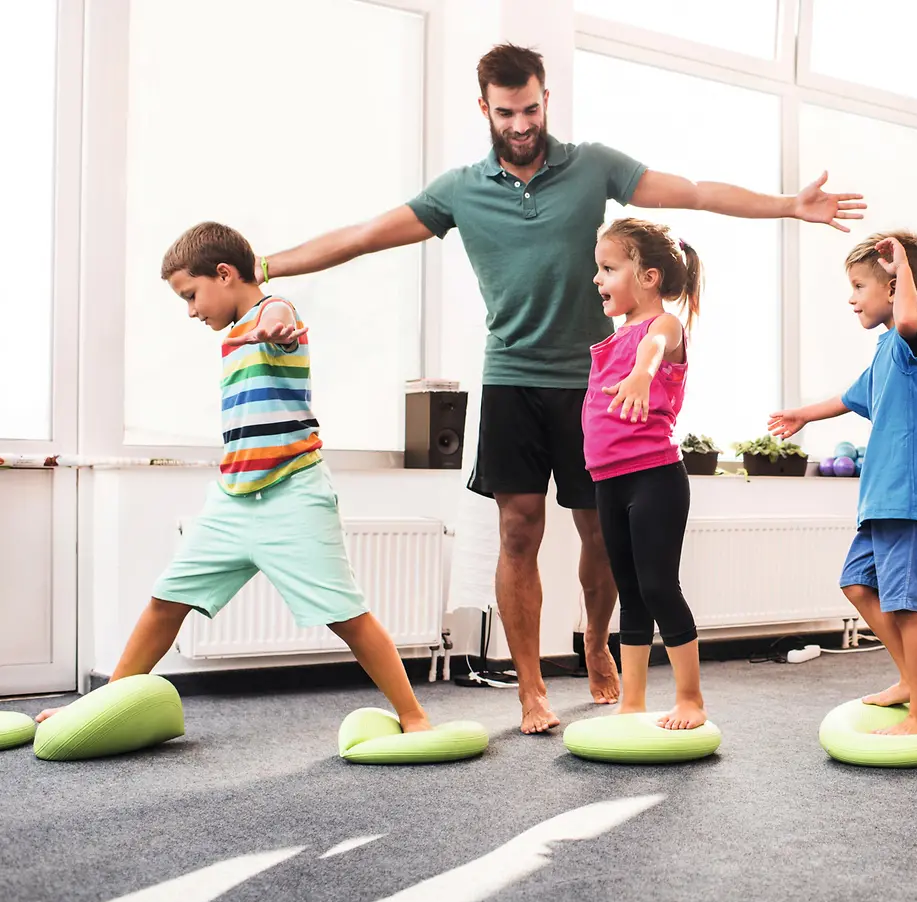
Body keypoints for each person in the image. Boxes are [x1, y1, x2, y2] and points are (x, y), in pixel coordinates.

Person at [255, 43, 865, 734]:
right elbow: (364, 235)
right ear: (484, 108)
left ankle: (599, 644)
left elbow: (693, 192)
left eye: (533, 108)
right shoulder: (459, 190)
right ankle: (531, 688)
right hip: (513, 379)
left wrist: (788, 205)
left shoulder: (593, 167)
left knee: (601, 536)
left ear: (547, 101)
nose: (522, 124)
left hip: (595, 384)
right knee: (518, 529)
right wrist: (265, 264)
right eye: (508, 111)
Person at [37, 222, 431, 733]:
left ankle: (414, 715)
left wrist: (274, 317)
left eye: (192, 295)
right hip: (231, 499)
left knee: (346, 615)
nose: (191, 310)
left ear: (224, 274)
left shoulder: (275, 318)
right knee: (165, 602)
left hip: (294, 493)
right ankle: (100, 707)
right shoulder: (232, 340)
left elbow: (279, 309)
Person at [767, 233, 917, 735]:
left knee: (907, 607)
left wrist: (901, 268)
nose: (851, 297)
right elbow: (850, 397)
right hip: (884, 499)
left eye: (859, 286)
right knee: (857, 584)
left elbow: (907, 317)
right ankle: (911, 679)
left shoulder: (911, 338)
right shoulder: (884, 352)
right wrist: (802, 415)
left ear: (896, 287)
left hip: (914, 498)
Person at [585, 218, 705, 729]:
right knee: (630, 592)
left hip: (655, 477)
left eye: (609, 269)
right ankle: (631, 700)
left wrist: (641, 371)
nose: (598, 279)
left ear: (649, 277)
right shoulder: (619, 335)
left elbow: (656, 347)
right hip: (608, 479)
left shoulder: (663, 327)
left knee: (659, 587)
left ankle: (691, 699)